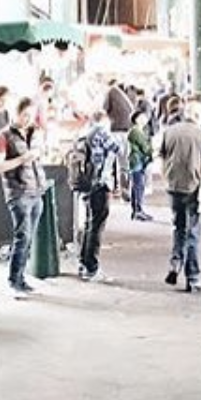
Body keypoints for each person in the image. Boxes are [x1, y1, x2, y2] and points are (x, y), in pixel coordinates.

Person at [0, 97, 47, 297]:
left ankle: (21, 278)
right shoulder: (4, 136)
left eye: (31, 116)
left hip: (36, 190)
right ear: (17, 113)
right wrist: (23, 158)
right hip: (18, 192)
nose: (28, 119)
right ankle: (13, 281)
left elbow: (39, 154)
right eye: (25, 115)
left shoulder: (34, 133)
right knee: (22, 237)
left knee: (29, 237)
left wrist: (38, 152)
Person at [158, 96, 201, 292]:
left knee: (178, 228)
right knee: (194, 233)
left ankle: (175, 263)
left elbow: (161, 158)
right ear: (198, 116)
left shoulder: (169, 132)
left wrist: (166, 178)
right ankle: (193, 276)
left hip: (173, 187)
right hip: (194, 189)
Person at [76, 111, 121, 281]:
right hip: (100, 184)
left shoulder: (84, 133)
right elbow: (118, 149)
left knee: (90, 224)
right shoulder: (101, 132)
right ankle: (91, 267)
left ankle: (83, 262)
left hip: (86, 184)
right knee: (97, 225)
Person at [127, 107, 154, 221]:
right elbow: (145, 147)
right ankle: (138, 210)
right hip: (137, 161)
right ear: (136, 119)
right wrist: (152, 151)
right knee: (138, 186)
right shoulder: (136, 131)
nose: (145, 119)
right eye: (142, 117)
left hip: (138, 161)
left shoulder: (138, 130)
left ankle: (137, 210)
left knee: (137, 186)